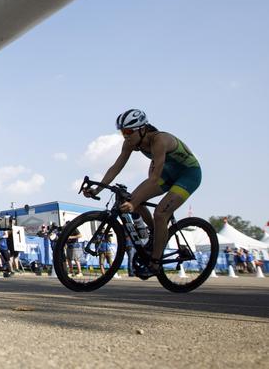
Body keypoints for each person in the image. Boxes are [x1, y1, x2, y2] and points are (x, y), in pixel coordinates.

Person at [83, 109, 202, 277]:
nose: (125, 136)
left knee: (160, 213)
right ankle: (155, 235)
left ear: (142, 128)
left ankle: (155, 263)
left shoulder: (159, 140)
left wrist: (133, 203)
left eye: (129, 131)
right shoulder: (130, 143)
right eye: (123, 132)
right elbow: (116, 167)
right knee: (130, 198)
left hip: (188, 175)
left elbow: (153, 179)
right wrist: (98, 189)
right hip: (167, 175)